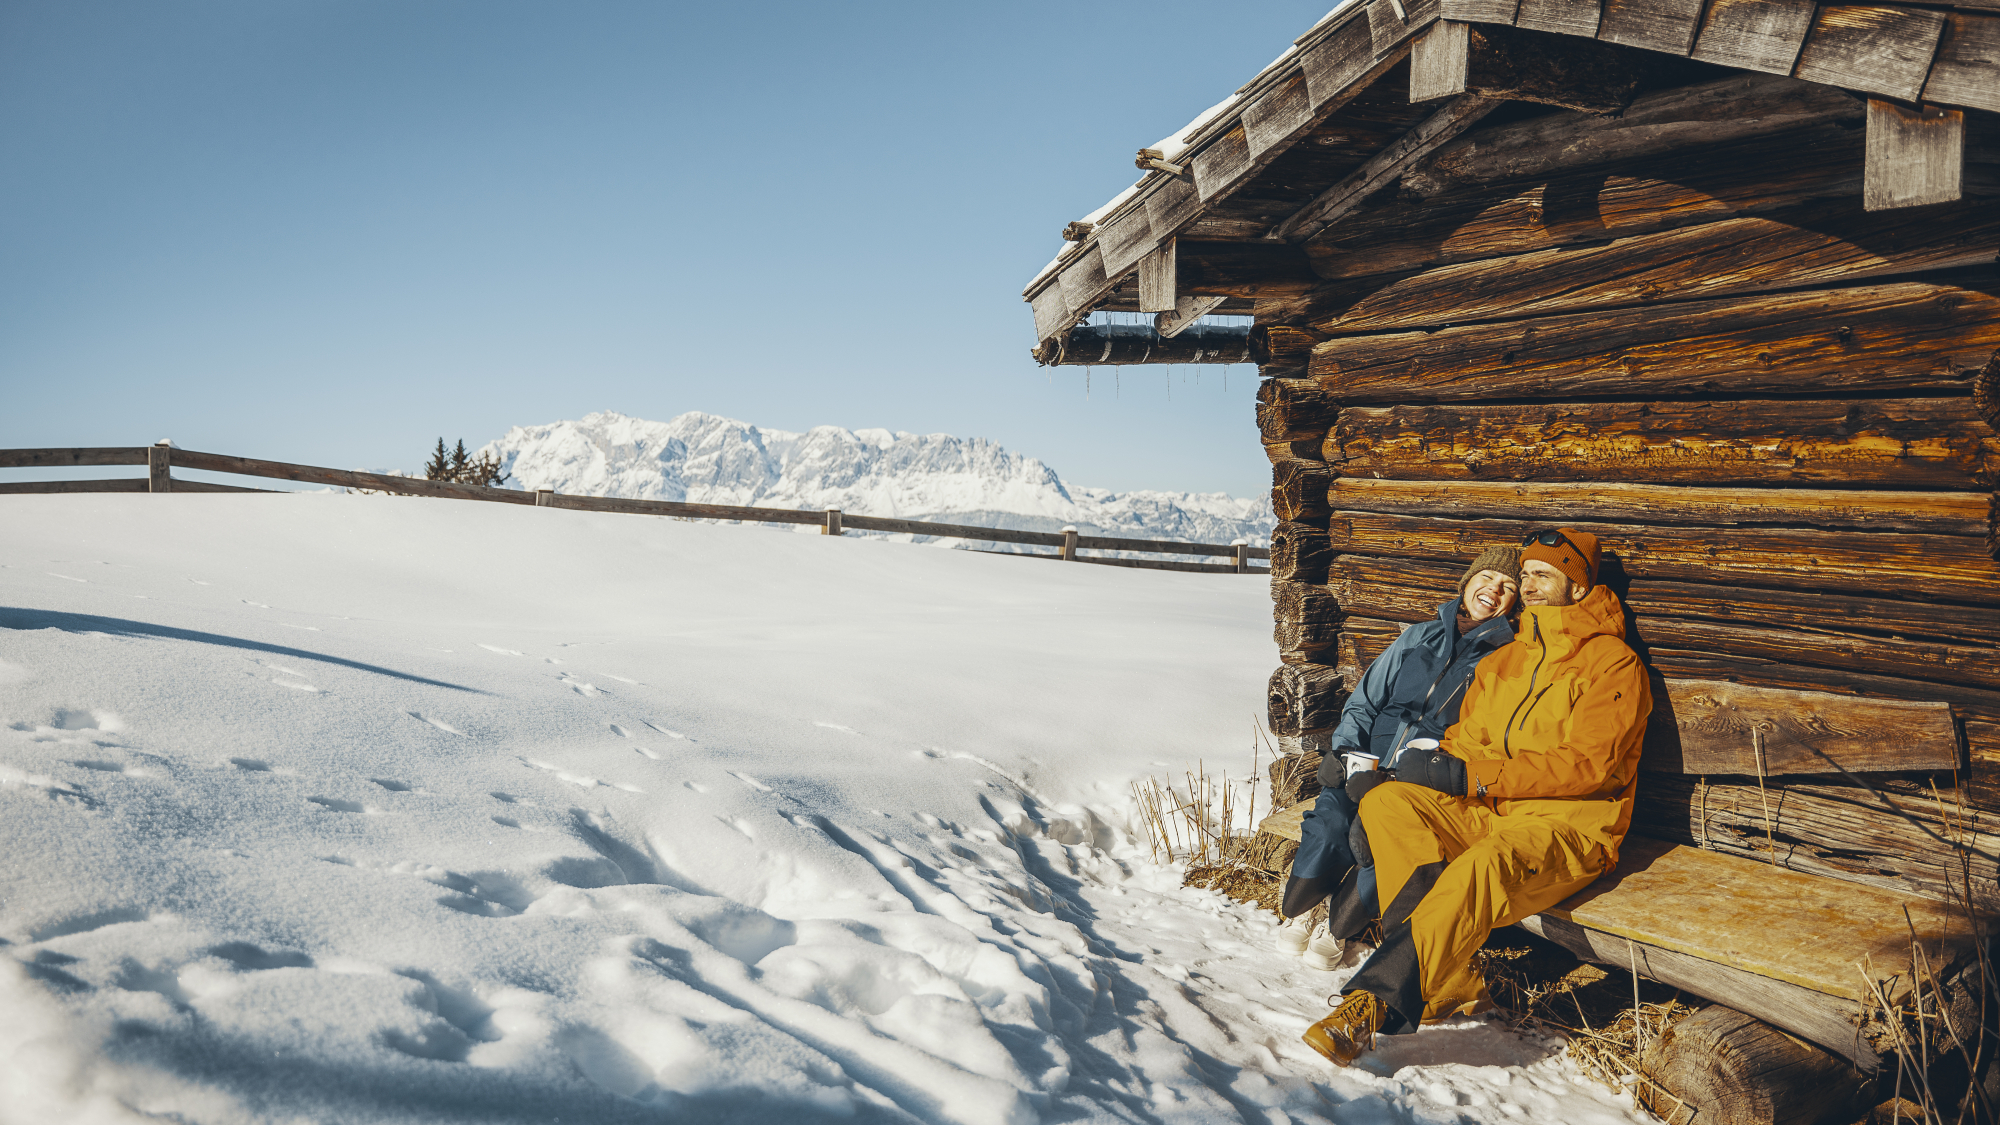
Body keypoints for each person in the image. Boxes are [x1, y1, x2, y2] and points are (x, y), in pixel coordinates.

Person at [1303, 528, 1653, 1066]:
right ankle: (1450, 983)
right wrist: (1408, 775)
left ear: (1579, 588)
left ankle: (1372, 1002)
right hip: (1491, 813)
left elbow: (1590, 765)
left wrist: (1474, 778)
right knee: (1388, 805)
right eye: (1526, 574)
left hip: (1567, 827)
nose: (1529, 585)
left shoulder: (1613, 664)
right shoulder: (1505, 661)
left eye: (1544, 575)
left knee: (1481, 866)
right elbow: (1468, 743)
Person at [1274, 546, 1522, 969]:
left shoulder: (1504, 659)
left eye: (1508, 586)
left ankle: (1337, 924)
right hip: (1365, 762)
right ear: (1467, 583)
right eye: (1487, 578)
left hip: (1416, 783)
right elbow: (1365, 702)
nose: (1493, 590)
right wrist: (1344, 751)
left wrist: (1406, 779)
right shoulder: (1418, 637)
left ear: (1514, 603)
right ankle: (1306, 905)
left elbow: (1480, 739)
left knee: (1381, 844)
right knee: (1331, 823)